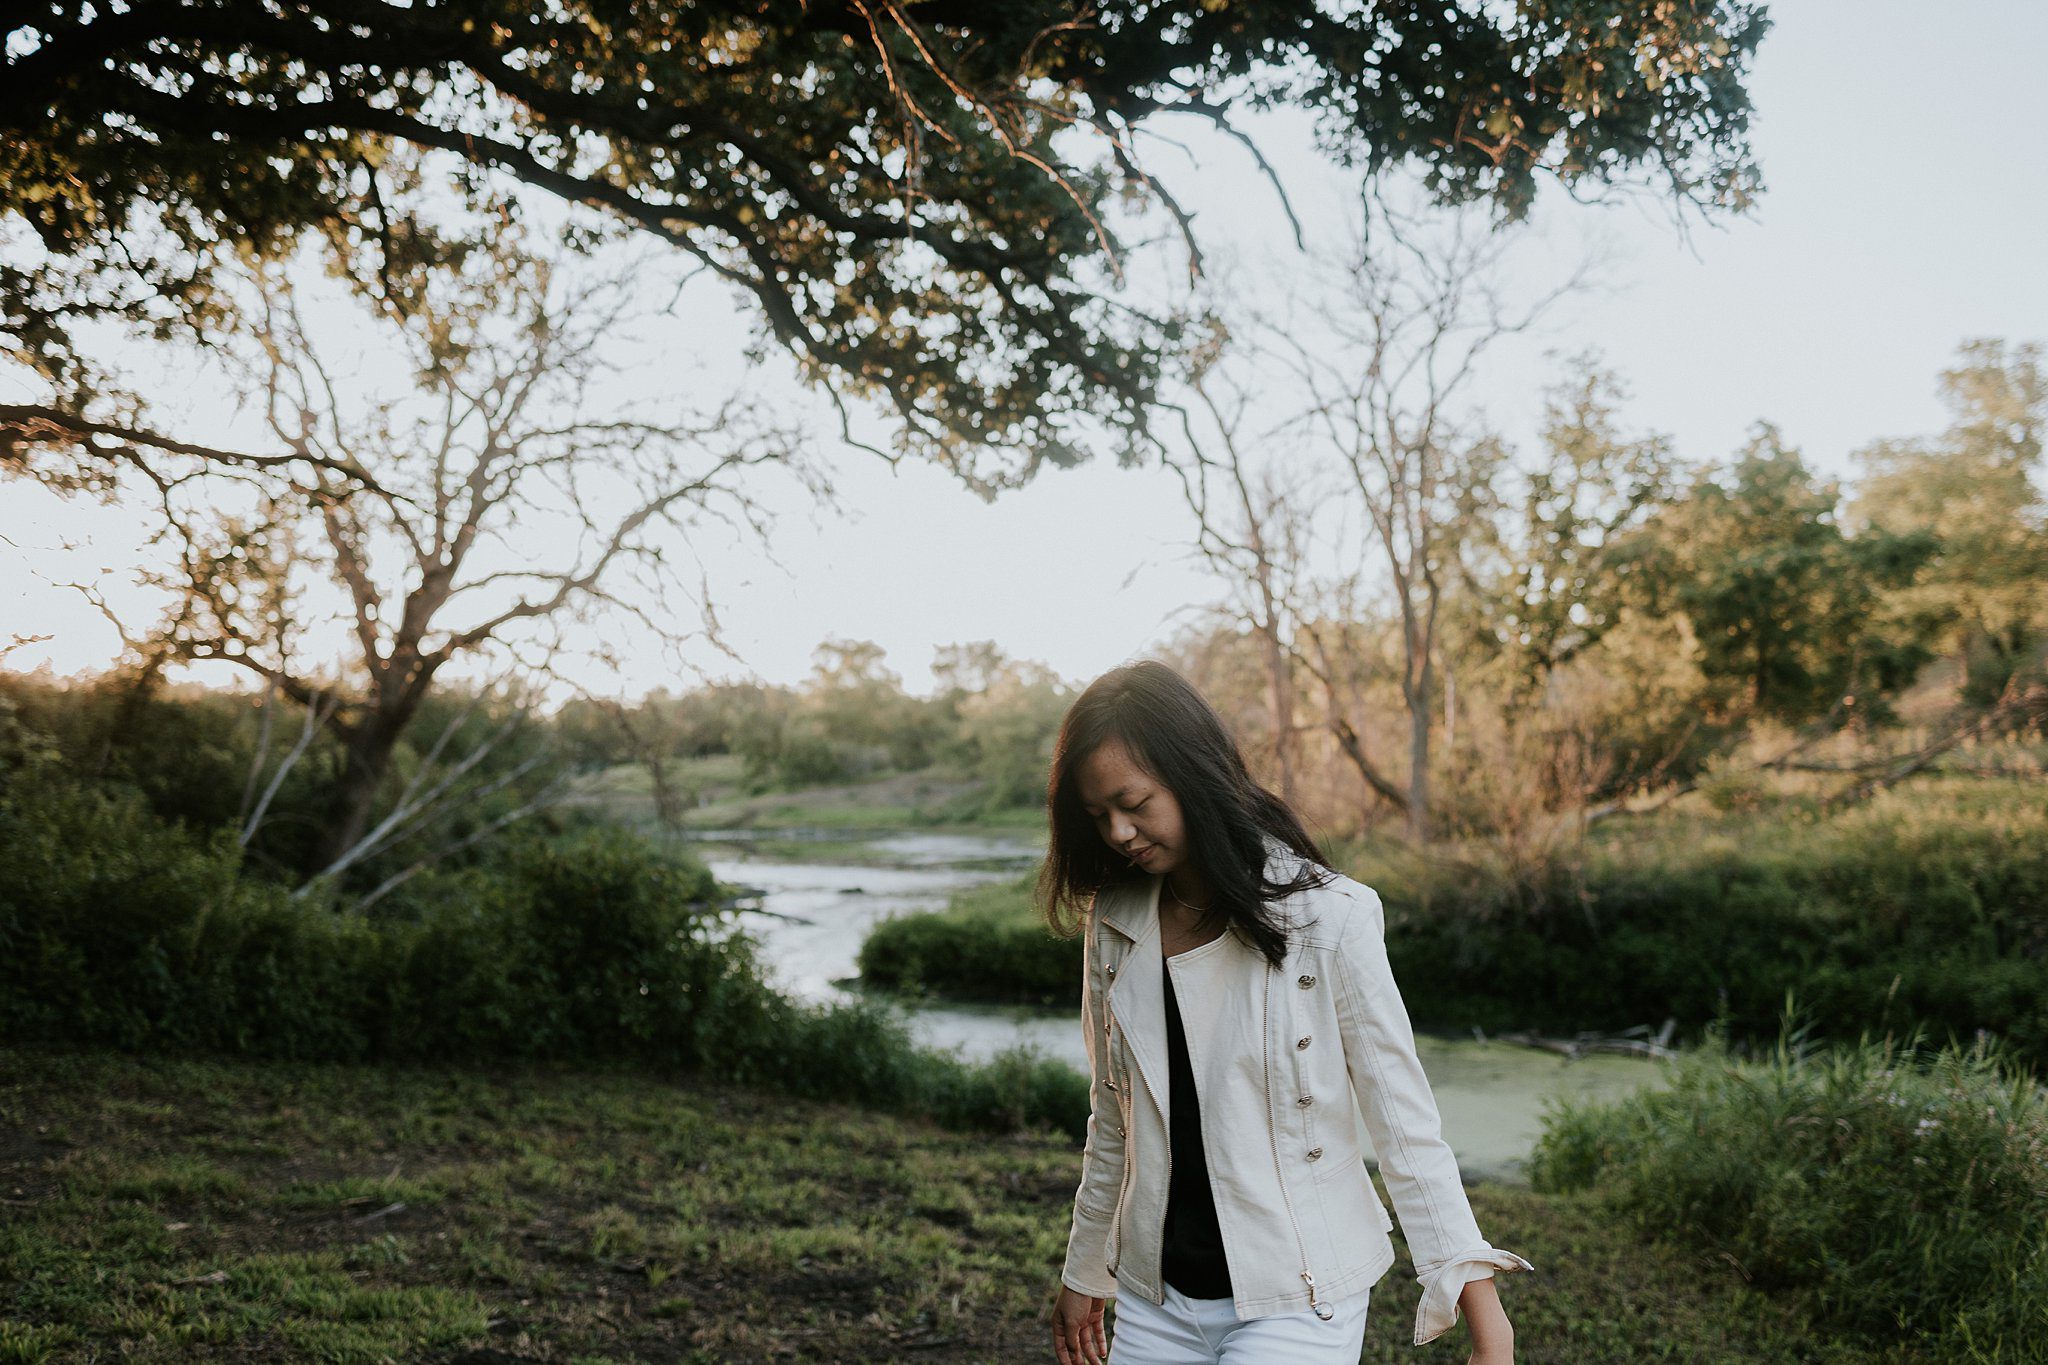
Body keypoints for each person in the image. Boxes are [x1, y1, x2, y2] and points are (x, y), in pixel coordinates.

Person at [1041, 661, 1531, 1365]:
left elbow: (1404, 1125)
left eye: (1134, 802)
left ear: (1194, 774)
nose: (1118, 831)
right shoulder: (1115, 922)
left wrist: (1486, 1316)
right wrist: (1086, 1269)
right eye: (1097, 816)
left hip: (1301, 1293)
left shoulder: (1330, 916)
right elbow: (1113, 1117)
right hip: (1157, 1300)